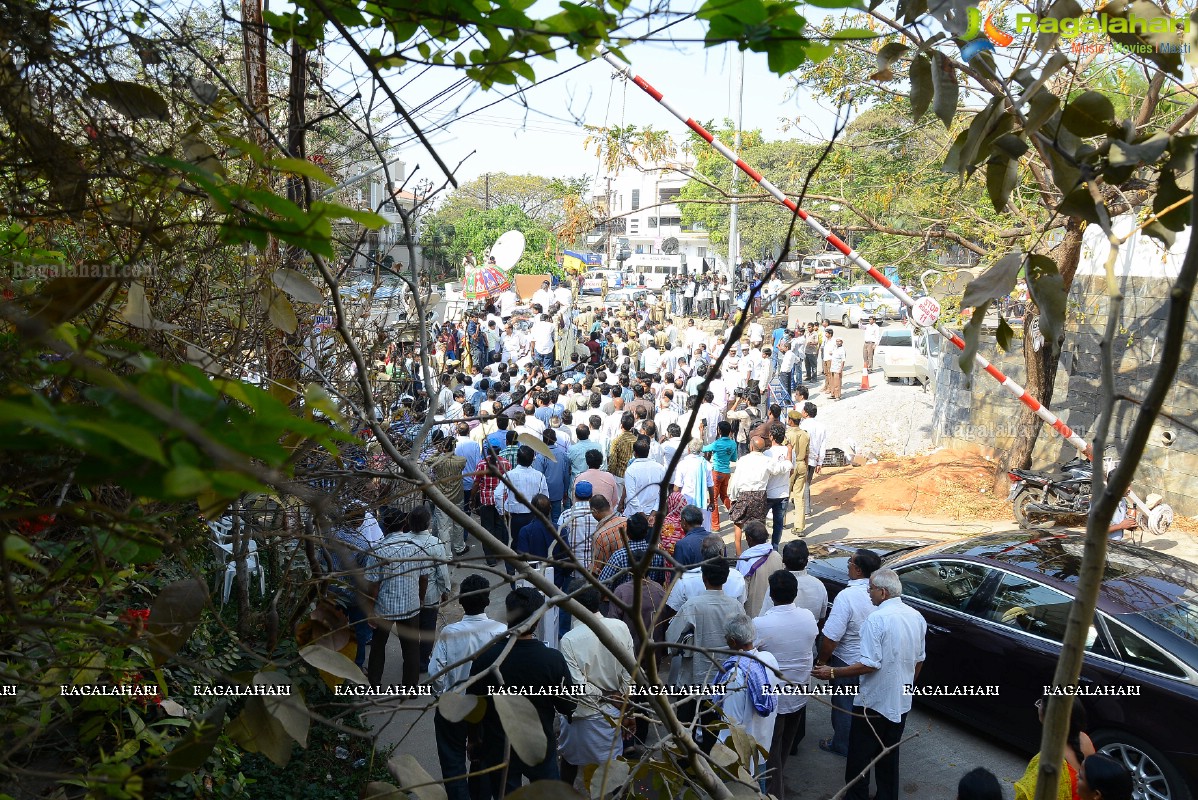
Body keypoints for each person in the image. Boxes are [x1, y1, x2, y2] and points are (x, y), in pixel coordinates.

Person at [812, 569, 927, 800]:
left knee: (859, 758)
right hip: (900, 703)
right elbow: (919, 660)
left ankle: (856, 797)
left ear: (883, 592)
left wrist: (833, 671)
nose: (868, 593)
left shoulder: (876, 619)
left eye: (871, 589)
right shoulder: (916, 617)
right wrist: (906, 687)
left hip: (873, 704)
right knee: (888, 756)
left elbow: (870, 664)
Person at [469, 587, 576, 797]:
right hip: (540, 745)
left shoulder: (486, 659)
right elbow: (567, 705)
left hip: (500, 746)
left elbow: (473, 707)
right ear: (537, 620)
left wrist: (473, 740)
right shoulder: (552, 660)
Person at [430, 575, 506, 800]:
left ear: (461, 601)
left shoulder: (450, 633)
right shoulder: (500, 631)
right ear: (488, 601)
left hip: (453, 705)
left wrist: (442, 695)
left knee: (452, 762)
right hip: (487, 707)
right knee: (482, 759)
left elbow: (435, 673)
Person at [557, 580, 635, 786]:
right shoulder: (620, 627)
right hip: (612, 713)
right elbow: (631, 673)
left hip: (586, 715)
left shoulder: (569, 640)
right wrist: (624, 703)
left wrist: (615, 699)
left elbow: (578, 685)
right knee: (614, 769)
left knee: (570, 762)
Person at [665, 558, 745, 750]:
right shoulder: (735, 606)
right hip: (722, 680)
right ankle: (709, 768)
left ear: (704, 577)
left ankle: (686, 769)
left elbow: (672, 639)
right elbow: (743, 641)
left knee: (685, 728)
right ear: (725, 578)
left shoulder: (693, 605)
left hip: (693, 677)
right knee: (713, 727)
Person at [755, 570, 819, 799]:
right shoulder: (808, 617)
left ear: (771, 595)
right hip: (799, 692)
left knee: (771, 748)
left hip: (774, 698)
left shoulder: (760, 624)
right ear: (795, 593)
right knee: (782, 747)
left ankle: (774, 792)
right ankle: (776, 784)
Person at [814, 548, 881, 756]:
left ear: (859, 570)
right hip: (872, 661)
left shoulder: (847, 596)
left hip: (847, 661)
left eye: (850, 563)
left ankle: (842, 744)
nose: (848, 566)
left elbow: (831, 637)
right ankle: (864, 743)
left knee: (844, 705)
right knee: (865, 706)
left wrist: (822, 662)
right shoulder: (882, 593)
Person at [365, 509, 436, 689]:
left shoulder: (378, 550)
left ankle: (374, 684)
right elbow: (424, 577)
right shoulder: (416, 547)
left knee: (378, 647)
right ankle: (410, 688)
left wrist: (370, 609)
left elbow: (373, 584)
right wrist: (420, 599)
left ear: (385, 526)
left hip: (384, 607)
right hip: (410, 605)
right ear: (405, 524)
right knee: (411, 648)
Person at [714, 615, 779, 789]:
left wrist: (721, 754)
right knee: (760, 788)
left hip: (739, 756)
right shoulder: (769, 659)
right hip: (763, 742)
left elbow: (731, 723)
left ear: (733, 641)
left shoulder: (735, 675)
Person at [1013, 693, 1096, 800]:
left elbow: (1027, 796)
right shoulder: (1085, 738)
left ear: (1047, 717)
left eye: (1039, 704)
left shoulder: (1048, 757)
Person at [727, 436, 791, 556]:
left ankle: (738, 552)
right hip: (760, 495)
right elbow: (781, 468)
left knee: (738, 523)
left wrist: (733, 497)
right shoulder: (767, 460)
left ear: (751, 446)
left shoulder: (743, 460)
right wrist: (788, 458)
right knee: (759, 525)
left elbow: (736, 481)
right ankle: (759, 553)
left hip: (744, 494)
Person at [494, 445, 549, 573]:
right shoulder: (539, 476)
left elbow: (497, 494)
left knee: (513, 545)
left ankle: (512, 573)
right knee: (533, 545)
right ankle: (532, 574)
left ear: (517, 459)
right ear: (533, 459)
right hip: (533, 516)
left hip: (514, 517)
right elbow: (545, 498)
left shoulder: (510, 475)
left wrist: (502, 512)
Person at [598, 512, 670, 588]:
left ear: (627, 533)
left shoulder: (619, 556)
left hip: (622, 598)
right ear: (646, 532)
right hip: (651, 597)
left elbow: (603, 584)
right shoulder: (657, 554)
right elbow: (661, 579)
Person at [760, 539, 828, 620]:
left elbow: (764, 616)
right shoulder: (819, 585)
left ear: (783, 560)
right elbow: (822, 617)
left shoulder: (778, 585)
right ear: (807, 561)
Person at [737, 519, 784, 617]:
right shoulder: (777, 556)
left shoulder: (746, 559)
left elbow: (741, 591)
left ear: (749, 538)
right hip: (774, 610)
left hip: (753, 612)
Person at [702, 420, 738, 530]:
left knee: (713, 499)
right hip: (726, 473)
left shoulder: (717, 443)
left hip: (717, 472)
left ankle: (715, 525)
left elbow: (703, 449)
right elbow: (734, 458)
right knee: (724, 496)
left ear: (719, 430)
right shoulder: (733, 443)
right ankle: (735, 515)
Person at [623, 436, 667, 517]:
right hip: (652, 515)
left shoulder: (630, 470)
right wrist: (652, 514)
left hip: (636, 517)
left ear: (634, 453)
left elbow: (631, 497)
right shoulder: (660, 468)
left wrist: (644, 516)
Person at [784, 409, 812, 537]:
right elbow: (807, 453)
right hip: (802, 464)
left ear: (790, 420)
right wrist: (805, 468)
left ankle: (782, 521)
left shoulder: (788, 434)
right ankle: (799, 527)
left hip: (791, 465)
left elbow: (785, 452)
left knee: (785, 494)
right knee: (799, 496)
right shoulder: (805, 434)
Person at [800, 402, 827, 518]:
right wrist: (820, 461)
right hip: (814, 458)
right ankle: (803, 505)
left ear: (805, 413)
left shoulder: (803, 426)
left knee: (803, 484)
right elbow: (823, 445)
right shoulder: (821, 426)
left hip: (804, 458)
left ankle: (805, 509)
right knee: (807, 483)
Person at [829, 336, 847, 400]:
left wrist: (840, 369)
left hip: (838, 368)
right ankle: (833, 394)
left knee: (837, 383)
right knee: (832, 382)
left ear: (842, 342)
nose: (838, 342)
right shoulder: (835, 348)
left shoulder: (842, 350)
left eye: (839, 341)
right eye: (837, 341)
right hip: (833, 367)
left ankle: (837, 396)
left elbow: (843, 360)